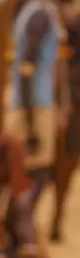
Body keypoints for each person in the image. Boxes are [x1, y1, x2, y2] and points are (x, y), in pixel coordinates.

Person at [6, 0, 75, 207]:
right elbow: (26, 68)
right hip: (33, 104)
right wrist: (31, 120)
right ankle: (19, 235)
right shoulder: (40, 14)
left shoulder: (42, 11)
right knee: (33, 174)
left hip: (38, 103)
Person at [50, 14, 80, 243]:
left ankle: (56, 221)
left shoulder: (64, 65)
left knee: (63, 174)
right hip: (71, 120)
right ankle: (56, 222)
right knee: (64, 172)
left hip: (69, 119)